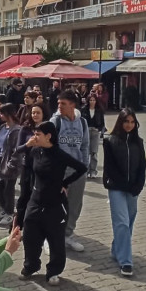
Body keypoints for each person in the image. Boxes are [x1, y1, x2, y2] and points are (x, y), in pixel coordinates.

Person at [16, 121, 87, 285]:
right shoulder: (35, 151)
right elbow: (16, 152)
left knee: (55, 239)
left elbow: (81, 168)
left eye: (38, 134)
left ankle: (54, 271)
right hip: (35, 201)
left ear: (48, 136)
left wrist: (65, 183)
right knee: (30, 236)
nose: (35, 137)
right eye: (34, 134)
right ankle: (31, 266)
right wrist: (27, 144)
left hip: (55, 204)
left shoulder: (59, 155)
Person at [103, 109, 145, 277]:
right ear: (120, 122)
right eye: (126, 121)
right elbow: (110, 168)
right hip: (116, 188)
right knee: (122, 222)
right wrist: (124, 185)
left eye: (132, 122)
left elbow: (142, 166)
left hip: (133, 188)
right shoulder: (110, 141)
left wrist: (139, 185)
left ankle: (116, 249)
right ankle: (126, 261)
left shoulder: (138, 142)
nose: (129, 125)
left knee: (130, 221)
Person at [51, 90, 89, 252]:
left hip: (78, 172)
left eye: (63, 103)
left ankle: (68, 234)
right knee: (56, 205)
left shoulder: (83, 123)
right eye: (58, 103)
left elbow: (85, 145)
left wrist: (84, 165)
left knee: (75, 205)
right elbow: (49, 148)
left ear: (73, 105)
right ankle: (51, 237)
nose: (59, 106)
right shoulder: (55, 122)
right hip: (60, 172)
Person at [0, 103, 22, 227]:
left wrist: (11, 164)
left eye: (1, 113)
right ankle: (4, 207)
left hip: (9, 162)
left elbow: (16, 150)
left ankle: (9, 212)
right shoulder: (2, 127)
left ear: (8, 114)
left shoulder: (17, 130)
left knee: (8, 189)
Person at [81, 94, 105, 178]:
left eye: (94, 100)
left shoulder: (99, 110)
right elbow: (81, 122)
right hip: (86, 132)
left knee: (94, 152)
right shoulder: (83, 109)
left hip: (95, 132)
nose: (92, 102)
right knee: (86, 152)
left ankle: (93, 171)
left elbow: (102, 123)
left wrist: (99, 130)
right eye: (90, 100)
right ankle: (86, 170)